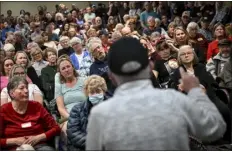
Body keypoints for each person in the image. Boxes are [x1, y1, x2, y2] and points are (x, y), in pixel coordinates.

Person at [86, 37, 226, 150]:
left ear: (110, 75)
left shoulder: (99, 115)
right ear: (150, 66)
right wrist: (195, 92)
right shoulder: (174, 100)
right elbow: (216, 129)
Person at [0, 76, 61, 150]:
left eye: (26, 88)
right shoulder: (3, 110)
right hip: (15, 148)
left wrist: (39, 137)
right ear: (12, 93)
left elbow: (56, 128)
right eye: (21, 88)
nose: (26, 91)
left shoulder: (36, 106)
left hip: (40, 146)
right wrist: (15, 141)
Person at [67, 75, 108, 150]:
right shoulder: (77, 110)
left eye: (98, 91)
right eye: (92, 92)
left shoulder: (113, 107)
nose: (95, 95)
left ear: (104, 91)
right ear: (87, 93)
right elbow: (73, 134)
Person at [55, 57, 86, 147]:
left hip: (85, 113)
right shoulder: (59, 86)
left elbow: (89, 101)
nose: (66, 70)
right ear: (60, 72)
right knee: (66, 130)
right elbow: (60, 108)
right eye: (63, 69)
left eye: (68, 66)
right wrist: (72, 117)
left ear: (72, 67)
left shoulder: (83, 81)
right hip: (68, 117)